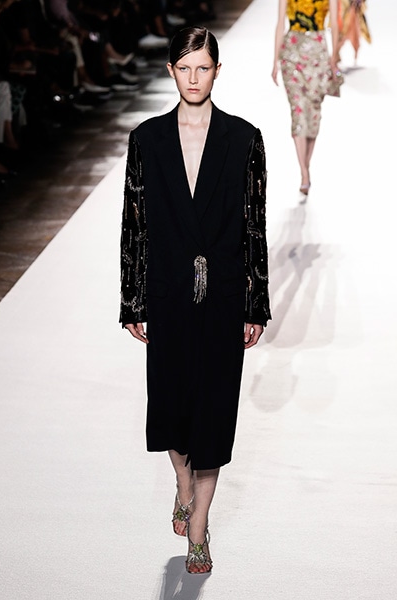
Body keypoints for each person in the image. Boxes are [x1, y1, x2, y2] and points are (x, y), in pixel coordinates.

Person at [120, 26, 271, 574]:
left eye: (202, 67)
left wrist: (256, 303)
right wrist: (132, 299)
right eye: (183, 68)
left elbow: (254, 225)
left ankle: (200, 527)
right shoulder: (147, 139)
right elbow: (134, 223)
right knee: (171, 404)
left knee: (214, 409)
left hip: (225, 293)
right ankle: (182, 480)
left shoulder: (244, 139)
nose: (192, 78)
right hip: (167, 292)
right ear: (170, 71)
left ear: (217, 71)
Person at [272, 0, 340, 195]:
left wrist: (334, 58)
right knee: (298, 111)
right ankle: (303, 172)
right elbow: (280, 23)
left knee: (313, 113)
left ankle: (306, 165)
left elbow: (335, 24)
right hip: (291, 54)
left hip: (318, 56)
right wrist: (275, 60)